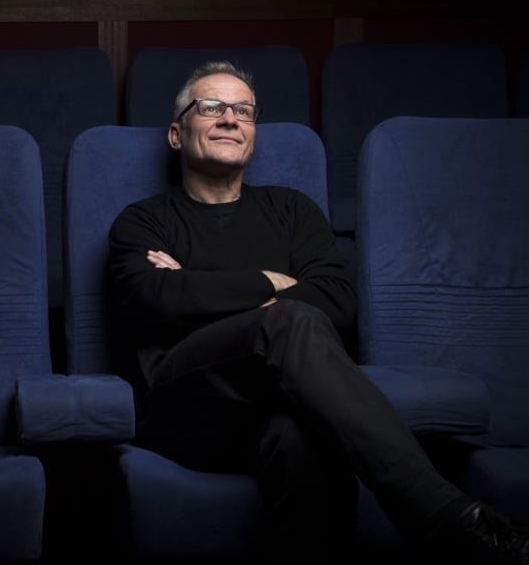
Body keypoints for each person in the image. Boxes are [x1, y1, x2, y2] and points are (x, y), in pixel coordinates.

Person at [105, 60, 529, 563]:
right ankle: (443, 516)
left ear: (252, 132)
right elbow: (155, 298)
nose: (230, 119)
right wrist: (271, 283)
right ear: (177, 135)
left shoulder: (293, 210)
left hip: (279, 404)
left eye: (243, 110)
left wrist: (198, 289)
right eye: (211, 107)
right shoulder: (143, 221)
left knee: (300, 436)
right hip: (184, 405)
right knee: (292, 320)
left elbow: (338, 300)